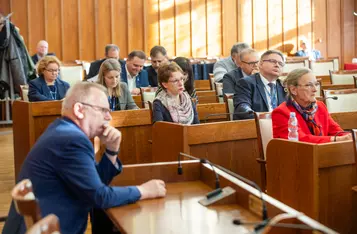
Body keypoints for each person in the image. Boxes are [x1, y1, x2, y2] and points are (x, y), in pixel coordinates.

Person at [2, 82, 166, 234]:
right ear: (79, 110)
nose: (108, 117)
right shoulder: (71, 140)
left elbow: (94, 183)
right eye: (103, 110)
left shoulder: (62, 130)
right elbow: (99, 197)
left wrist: (111, 150)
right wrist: (143, 191)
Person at [272, 68, 351, 143]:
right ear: (293, 90)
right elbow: (299, 140)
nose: (315, 89)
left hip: (321, 153)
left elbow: (337, 131)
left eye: (316, 84)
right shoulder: (281, 112)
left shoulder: (320, 106)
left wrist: (350, 137)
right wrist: (335, 139)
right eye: (309, 85)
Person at [233, 50, 287, 120]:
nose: (277, 65)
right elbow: (242, 107)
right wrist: (263, 118)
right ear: (260, 64)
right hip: (256, 126)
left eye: (280, 63)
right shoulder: (246, 83)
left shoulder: (284, 86)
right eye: (273, 61)